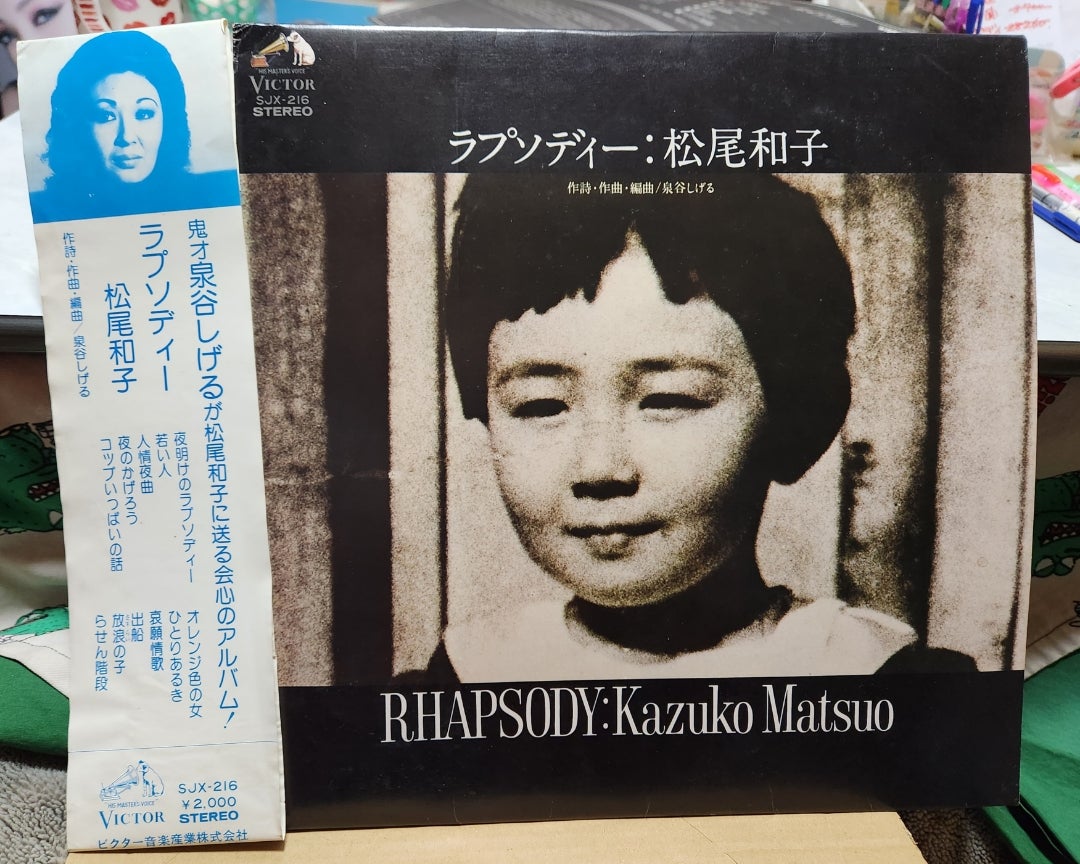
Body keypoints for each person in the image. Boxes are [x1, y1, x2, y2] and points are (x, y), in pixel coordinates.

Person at [427, 172, 956, 684]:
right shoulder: (466, 676)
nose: (600, 468)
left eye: (668, 399)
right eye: (542, 406)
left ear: (800, 422)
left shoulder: (873, 675)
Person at [29, 30, 236, 222]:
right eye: (106, 116)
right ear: (76, 128)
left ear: (168, 122)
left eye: (144, 114)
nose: (127, 137)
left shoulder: (215, 201)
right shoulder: (47, 215)